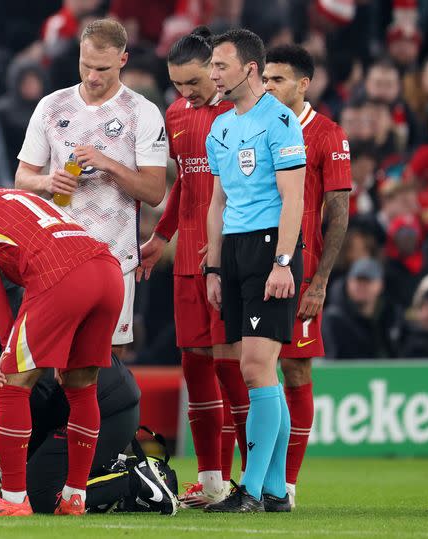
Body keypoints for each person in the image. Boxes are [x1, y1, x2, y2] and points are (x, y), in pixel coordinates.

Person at [0, 185, 124, 516]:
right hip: (107, 270)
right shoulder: (7, 197)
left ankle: (13, 500)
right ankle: (75, 497)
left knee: (9, 386)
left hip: (60, 274)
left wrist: (8, 347)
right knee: (80, 387)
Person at [0, 261, 147, 514]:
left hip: (109, 411)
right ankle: (103, 472)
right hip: (67, 414)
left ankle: (137, 480)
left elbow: (37, 394)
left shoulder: (7, 317)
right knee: (26, 490)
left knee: (39, 496)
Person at [136, 27, 248, 509]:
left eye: (193, 81)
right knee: (196, 371)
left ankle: (261, 479)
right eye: (177, 85)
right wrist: (160, 239)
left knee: (234, 372)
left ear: (217, 68)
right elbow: (184, 182)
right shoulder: (178, 114)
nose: (186, 93)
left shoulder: (243, 112)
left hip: (232, 260)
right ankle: (212, 481)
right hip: (187, 263)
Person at [15, 18, 167, 355]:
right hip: (57, 254)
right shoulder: (51, 106)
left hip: (114, 255)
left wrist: (108, 163)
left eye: (103, 68)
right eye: (86, 65)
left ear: (122, 61)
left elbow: (155, 192)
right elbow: (22, 177)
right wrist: (47, 181)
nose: (92, 76)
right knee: (52, 357)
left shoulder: (143, 113)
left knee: (107, 359)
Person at [202, 29, 306, 513]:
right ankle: (275, 492)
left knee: (255, 368)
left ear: (248, 69)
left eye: (220, 66)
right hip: (237, 251)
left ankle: (250, 487)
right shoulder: (219, 127)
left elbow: (294, 198)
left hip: (270, 248)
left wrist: (284, 261)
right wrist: (214, 267)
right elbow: (218, 201)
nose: (213, 74)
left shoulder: (280, 120)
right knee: (262, 372)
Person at [263, 44, 353, 508]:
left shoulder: (327, 134)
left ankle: (287, 484)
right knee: (250, 373)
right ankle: (254, 477)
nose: (268, 87)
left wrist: (318, 283)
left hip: (298, 272)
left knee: (295, 370)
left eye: (277, 79)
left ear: (304, 84)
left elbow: (338, 212)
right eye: (265, 78)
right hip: (250, 267)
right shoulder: (254, 125)